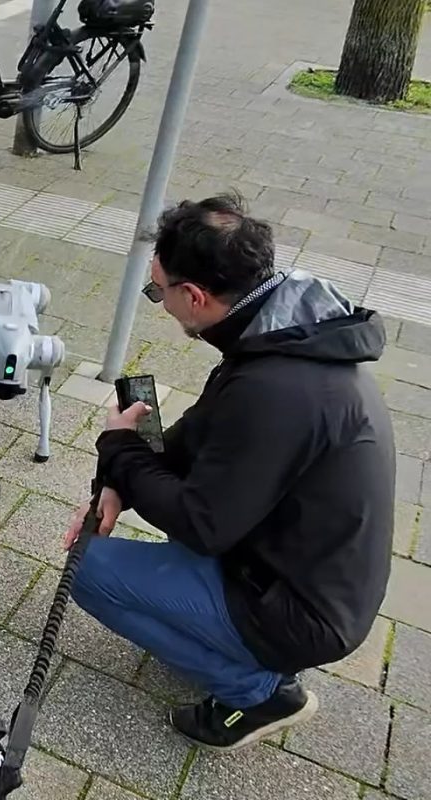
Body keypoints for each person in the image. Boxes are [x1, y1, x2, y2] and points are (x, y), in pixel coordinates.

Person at [62, 193, 396, 752]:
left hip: (300, 611)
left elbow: (202, 524)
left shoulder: (273, 388)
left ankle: (258, 692)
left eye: (158, 291)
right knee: (169, 498)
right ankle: (217, 638)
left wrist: (117, 446)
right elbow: (194, 442)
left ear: (193, 296)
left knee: (87, 568)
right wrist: (114, 480)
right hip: (302, 568)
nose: (160, 304)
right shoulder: (286, 338)